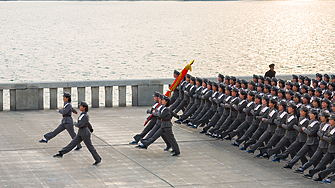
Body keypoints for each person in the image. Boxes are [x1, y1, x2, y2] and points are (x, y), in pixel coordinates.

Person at [53, 101, 102, 166]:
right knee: (72, 143)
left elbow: (80, 124)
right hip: (81, 133)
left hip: (85, 133)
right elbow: (87, 123)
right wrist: (91, 128)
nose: (80, 107)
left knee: (90, 147)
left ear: (84, 108)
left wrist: (75, 123)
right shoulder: (82, 114)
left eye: (81, 106)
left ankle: (98, 159)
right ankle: (61, 153)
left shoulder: (85, 116)